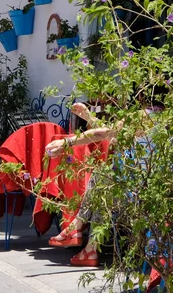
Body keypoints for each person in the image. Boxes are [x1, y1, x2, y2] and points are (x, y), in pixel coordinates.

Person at [44, 102, 124, 267]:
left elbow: (103, 134)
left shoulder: (143, 117)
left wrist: (66, 143)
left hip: (139, 194)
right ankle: (89, 249)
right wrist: (88, 117)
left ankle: (78, 228)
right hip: (135, 187)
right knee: (103, 183)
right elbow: (111, 134)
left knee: (103, 181)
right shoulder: (155, 116)